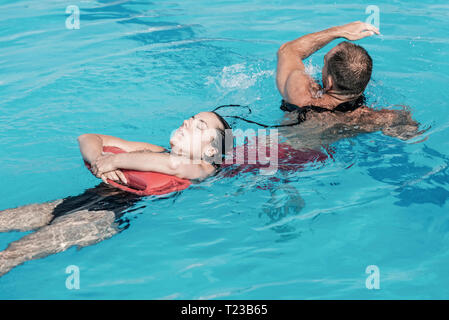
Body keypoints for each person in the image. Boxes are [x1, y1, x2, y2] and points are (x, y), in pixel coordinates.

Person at [0, 111, 232, 277]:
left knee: (10, 255)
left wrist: (116, 160)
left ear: (211, 149)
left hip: (101, 217)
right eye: (190, 119)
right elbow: (89, 138)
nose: (186, 123)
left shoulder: (203, 167)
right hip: (80, 200)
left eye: (199, 126)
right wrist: (98, 160)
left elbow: (174, 166)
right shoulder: (154, 150)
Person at [276, 21, 425, 149]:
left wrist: (338, 31)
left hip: (284, 149)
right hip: (323, 154)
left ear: (329, 83)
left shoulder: (303, 96)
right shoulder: (372, 117)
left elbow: (288, 51)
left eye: (324, 63)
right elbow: (411, 129)